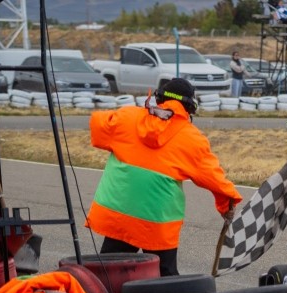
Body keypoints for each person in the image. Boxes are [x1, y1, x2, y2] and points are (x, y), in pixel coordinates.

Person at [87, 78, 243, 277]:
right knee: (165, 276)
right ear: (190, 107)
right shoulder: (192, 138)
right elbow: (213, 177)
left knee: (108, 275)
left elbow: (97, 124)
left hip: (119, 216)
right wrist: (227, 203)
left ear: (158, 98)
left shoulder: (128, 117)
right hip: (157, 223)